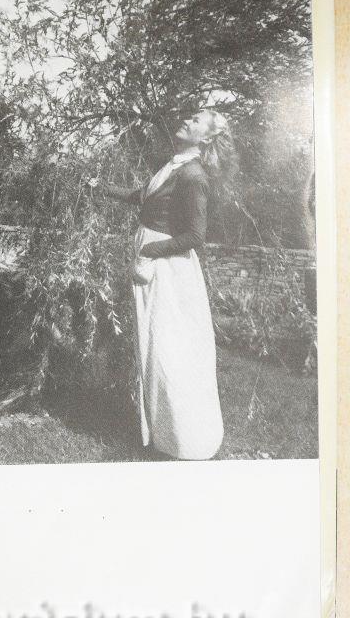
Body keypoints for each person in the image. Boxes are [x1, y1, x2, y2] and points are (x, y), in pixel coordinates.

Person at [106, 109, 237, 460]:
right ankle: (163, 434)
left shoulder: (193, 175)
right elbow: (143, 195)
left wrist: (150, 250)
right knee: (152, 345)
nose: (186, 121)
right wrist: (100, 189)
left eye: (196, 121)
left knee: (168, 349)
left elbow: (195, 235)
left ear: (206, 138)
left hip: (169, 270)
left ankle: (183, 439)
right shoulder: (177, 166)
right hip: (156, 261)